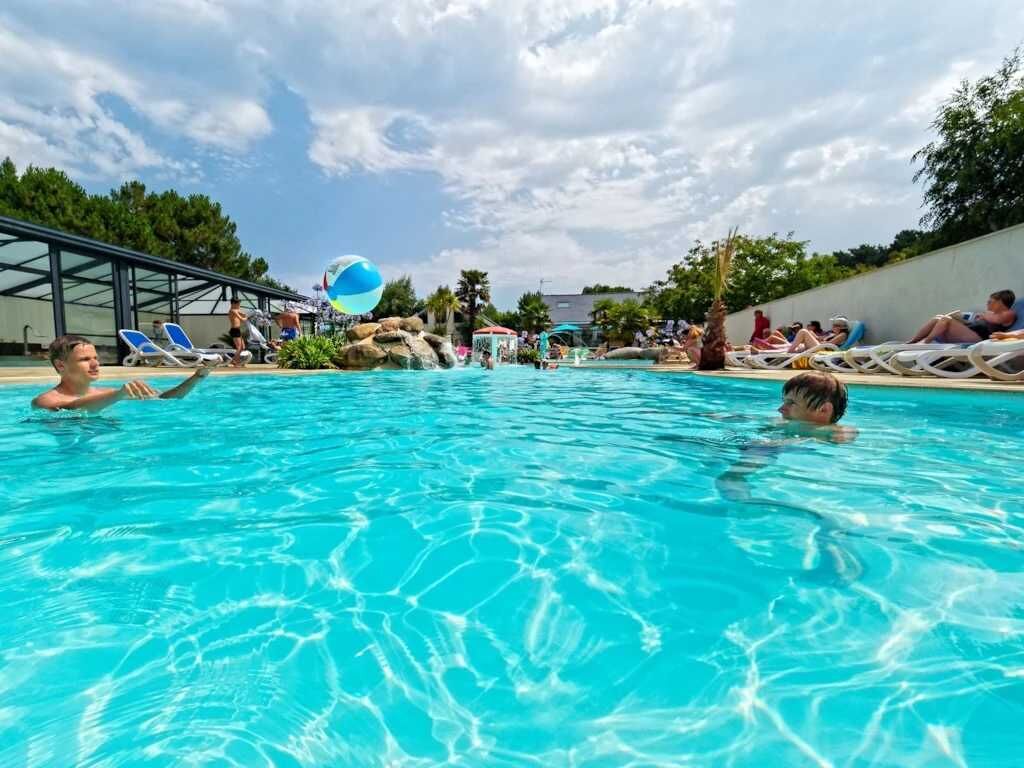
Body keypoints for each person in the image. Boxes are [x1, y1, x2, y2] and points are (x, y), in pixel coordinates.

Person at [32, 335, 211, 412]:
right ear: (61, 365)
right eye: (85, 359)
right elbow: (72, 407)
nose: (95, 364)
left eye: (95, 358)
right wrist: (118, 394)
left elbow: (164, 398)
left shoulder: (106, 393)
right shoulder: (44, 400)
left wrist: (197, 377)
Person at [908, 290, 1017, 343]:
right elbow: (989, 319)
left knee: (946, 320)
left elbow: (997, 320)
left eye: (990, 301)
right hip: (971, 332)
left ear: (1000, 302)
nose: (987, 303)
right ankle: (913, 341)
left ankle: (926, 341)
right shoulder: (991, 314)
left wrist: (984, 315)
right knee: (938, 318)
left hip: (981, 339)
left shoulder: (1008, 313)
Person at [779, 371, 848, 427]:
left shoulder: (836, 435)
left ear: (824, 410)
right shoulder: (783, 425)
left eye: (791, 402)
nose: (780, 409)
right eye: (784, 402)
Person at [228, 297, 248, 367]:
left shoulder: (236, 310)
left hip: (238, 330)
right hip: (234, 330)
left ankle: (237, 361)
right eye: (238, 304)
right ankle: (234, 361)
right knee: (239, 347)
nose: (239, 305)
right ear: (233, 304)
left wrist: (246, 315)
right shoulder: (232, 310)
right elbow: (242, 319)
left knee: (242, 347)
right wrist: (246, 318)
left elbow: (243, 314)